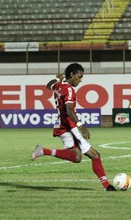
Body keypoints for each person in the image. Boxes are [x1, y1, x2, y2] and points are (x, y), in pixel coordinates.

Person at [31, 63, 116, 191]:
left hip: (62, 125)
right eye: (79, 77)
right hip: (69, 126)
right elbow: (70, 110)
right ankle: (107, 186)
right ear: (72, 74)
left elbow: (49, 84)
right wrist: (81, 126)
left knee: (77, 157)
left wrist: (59, 79)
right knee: (94, 155)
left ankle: (44, 151)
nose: (80, 80)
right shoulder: (69, 90)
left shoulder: (59, 85)